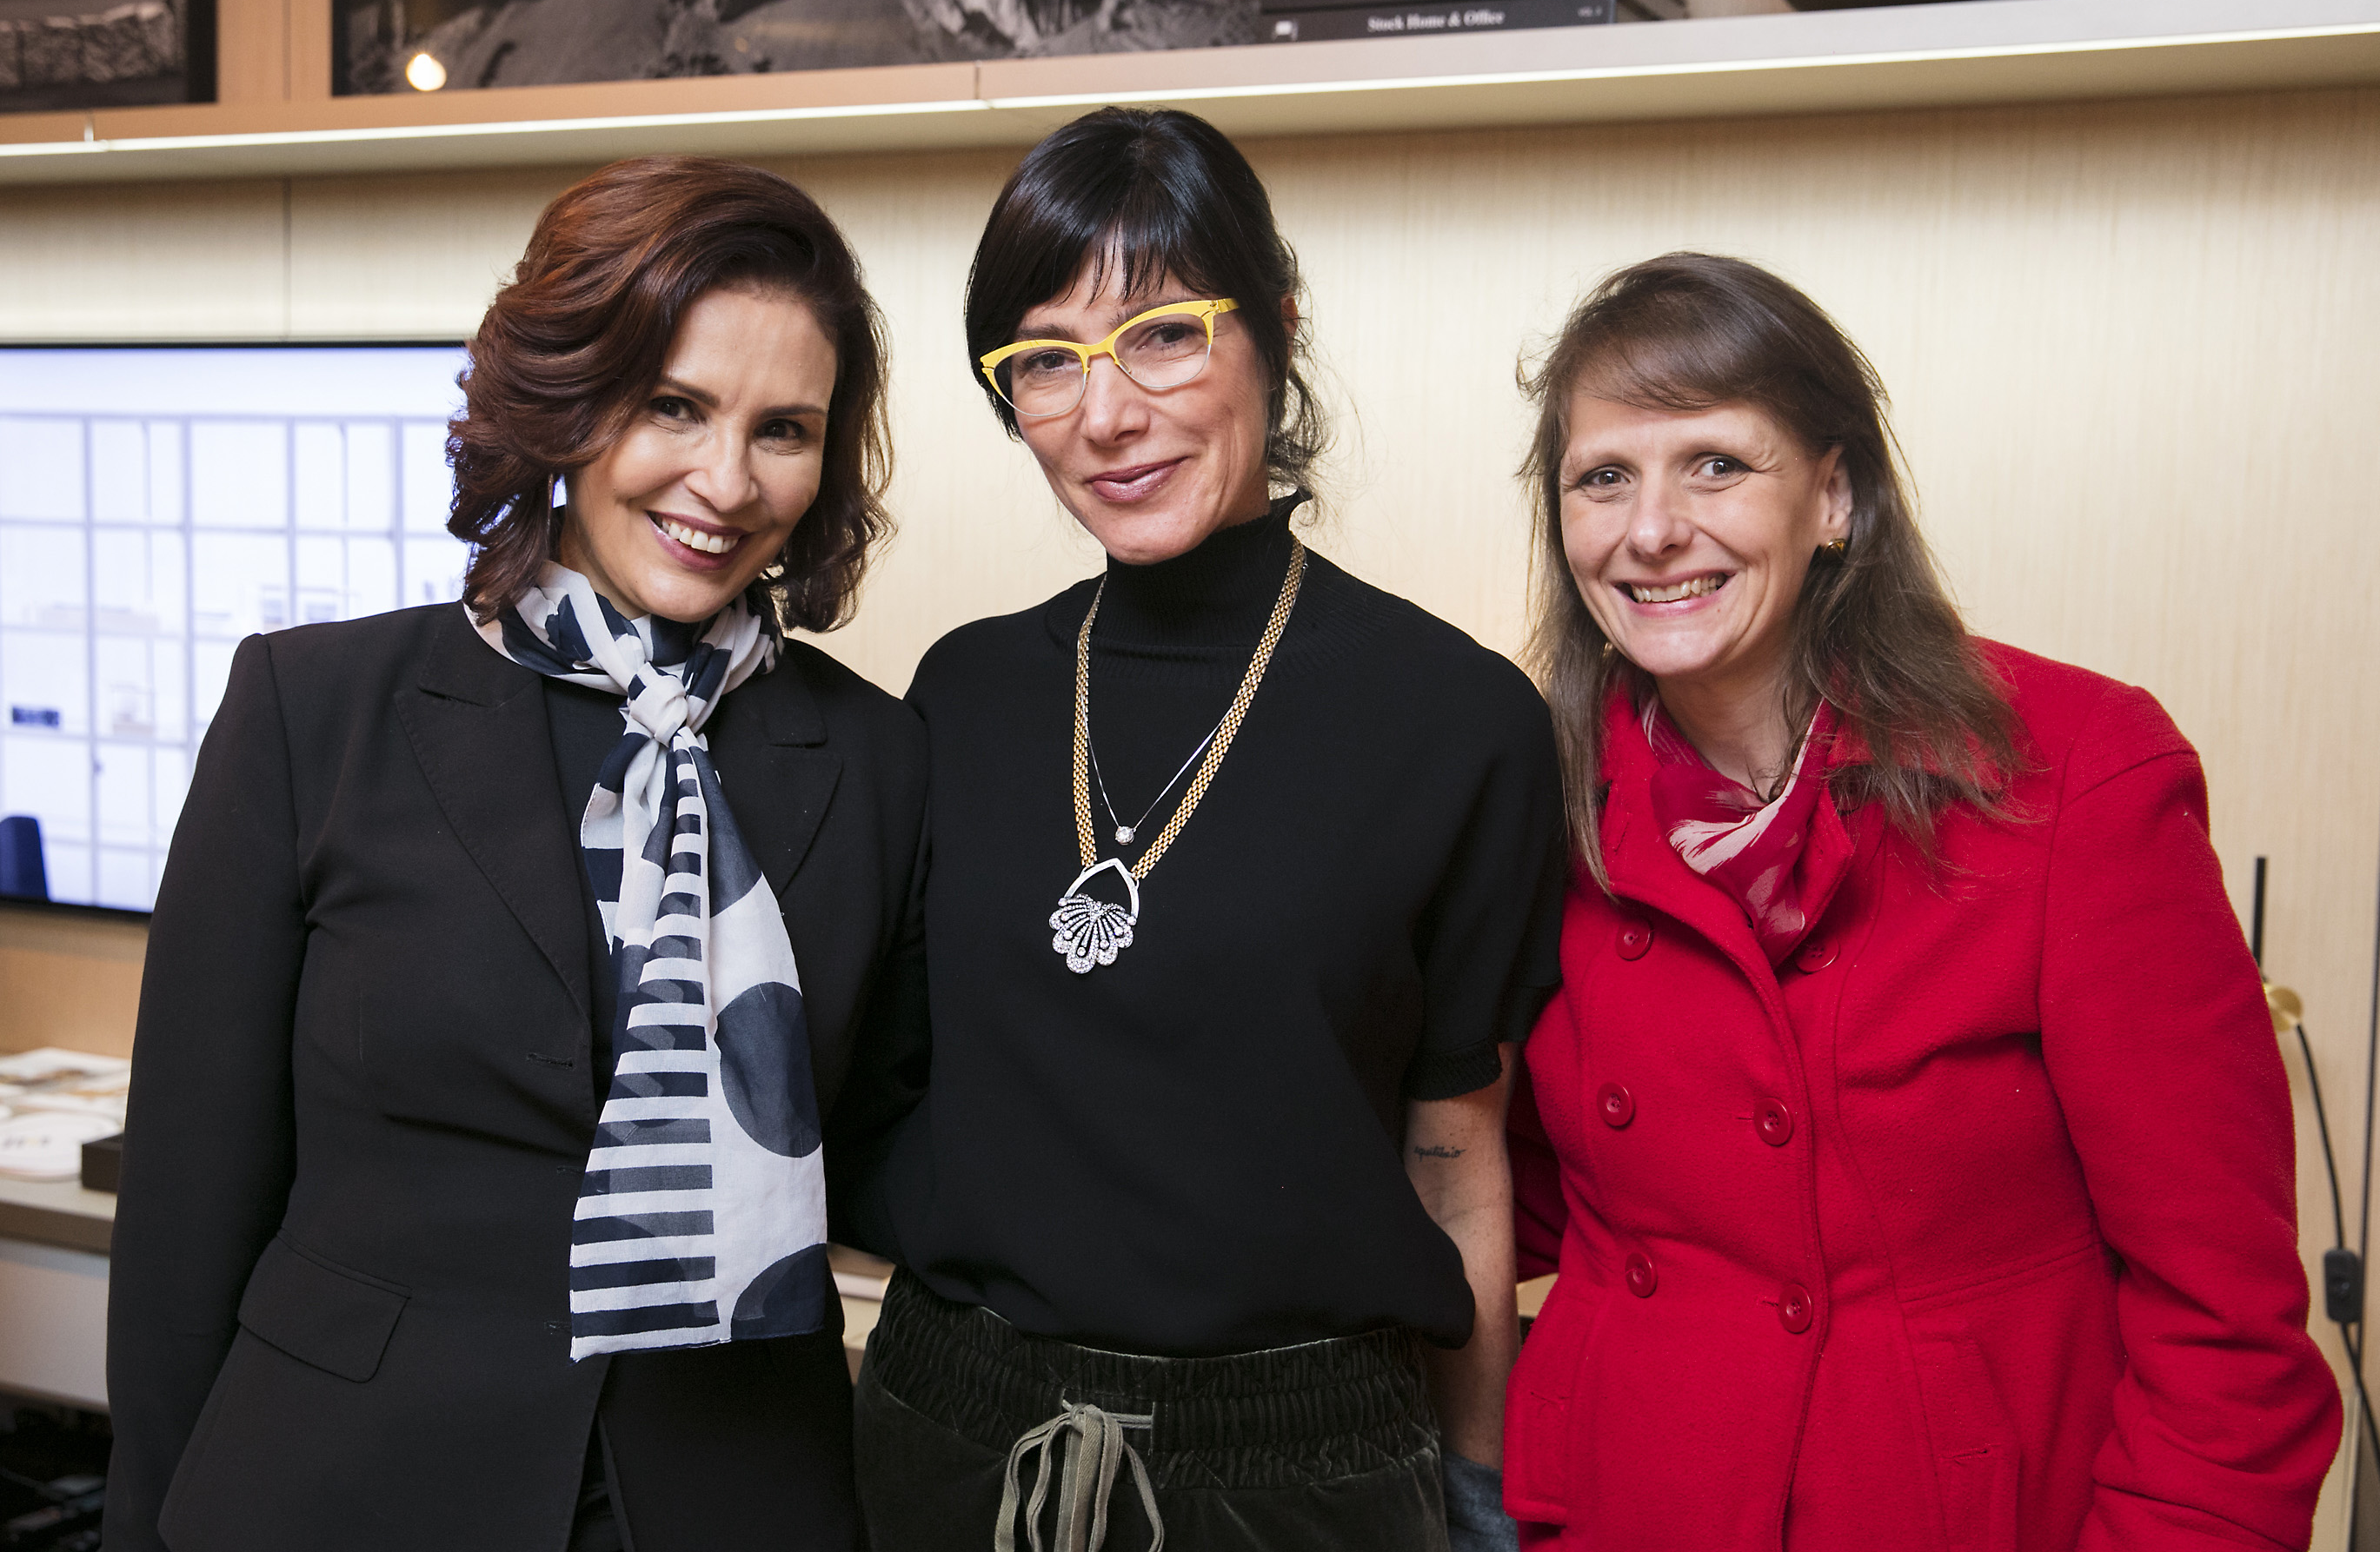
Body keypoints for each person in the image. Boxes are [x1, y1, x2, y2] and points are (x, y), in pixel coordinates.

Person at [103, 156, 927, 1552]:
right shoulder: (314, 710)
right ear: (565, 393)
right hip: (343, 1486)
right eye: (674, 405)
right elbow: (188, 1206)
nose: (723, 482)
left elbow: (905, 1155)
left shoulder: (876, 756)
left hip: (728, 1492)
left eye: (781, 428)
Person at [1501, 252, 2341, 1550]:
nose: (1650, 527)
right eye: (1601, 476)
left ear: (1833, 496)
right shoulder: (1529, 797)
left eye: (1716, 464)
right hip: (1632, 1501)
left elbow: (2223, 1326)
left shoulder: (2073, 775)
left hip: (1951, 1506)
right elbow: (1522, 1192)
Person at [837, 106, 1567, 1551]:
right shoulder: (965, 691)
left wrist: (1477, 1491)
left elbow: (1454, 1153)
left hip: (1304, 1469)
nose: (1105, 413)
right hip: (948, 1430)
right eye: (1044, 360)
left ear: (1273, 328)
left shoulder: (1457, 717)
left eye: (1162, 333)